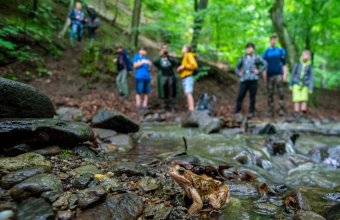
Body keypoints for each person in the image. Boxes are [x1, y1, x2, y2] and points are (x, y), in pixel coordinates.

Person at [235, 43, 267, 118]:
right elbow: (236, 67)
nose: (249, 49)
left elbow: (265, 64)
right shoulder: (243, 58)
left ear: (253, 49)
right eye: (248, 48)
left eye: (250, 48)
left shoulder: (256, 58)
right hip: (244, 79)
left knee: (252, 96)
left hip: (253, 79)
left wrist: (258, 71)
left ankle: (251, 112)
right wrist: (239, 73)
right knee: (240, 95)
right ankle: (237, 110)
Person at [262, 35, 287, 117]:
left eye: (275, 40)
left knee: (281, 92)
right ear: (270, 41)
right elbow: (264, 66)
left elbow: (284, 64)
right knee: (270, 93)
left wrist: (285, 75)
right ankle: (270, 110)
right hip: (270, 75)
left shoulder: (280, 51)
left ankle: (281, 109)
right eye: (272, 39)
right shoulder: (266, 52)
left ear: (276, 41)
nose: (273, 41)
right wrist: (264, 77)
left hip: (278, 74)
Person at [289, 50, 314, 115]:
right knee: (296, 99)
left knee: (304, 99)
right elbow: (293, 74)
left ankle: (303, 113)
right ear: (302, 56)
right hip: (296, 83)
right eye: (304, 55)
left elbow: (311, 77)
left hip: (305, 84)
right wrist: (290, 84)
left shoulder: (310, 66)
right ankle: (296, 113)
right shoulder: (297, 64)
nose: (305, 56)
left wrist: (310, 88)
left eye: (307, 55)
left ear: (309, 57)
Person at [153, 44, 177, 110]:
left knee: (171, 89)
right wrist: (160, 55)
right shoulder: (159, 57)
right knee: (163, 90)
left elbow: (175, 63)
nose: (165, 49)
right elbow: (154, 62)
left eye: (166, 48)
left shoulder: (169, 56)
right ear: (161, 49)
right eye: (163, 48)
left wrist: (171, 56)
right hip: (162, 75)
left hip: (170, 75)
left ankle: (171, 106)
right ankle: (163, 106)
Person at [177, 45, 198, 112]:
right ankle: (190, 108)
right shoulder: (185, 57)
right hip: (185, 77)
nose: (182, 49)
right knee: (187, 93)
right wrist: (180, 69)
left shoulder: (189, 55)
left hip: (188, 76)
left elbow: (194, 65)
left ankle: (191, 108)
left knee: (188, 92)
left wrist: (184, 67)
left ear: (187, 49)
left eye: (183, 48)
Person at [133, 47, 152, 112]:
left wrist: (149, 65)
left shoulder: (147, 59)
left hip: (147, 77)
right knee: (139, 91)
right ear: (139, 51)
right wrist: (142, 62)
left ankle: (145, 106)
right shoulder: (136, 57)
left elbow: (149, 69)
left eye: (145, 50)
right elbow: (135, 66)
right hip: (139, 76)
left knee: (146, 92)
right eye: (142, 50)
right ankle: (138, 105)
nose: (144, 51)